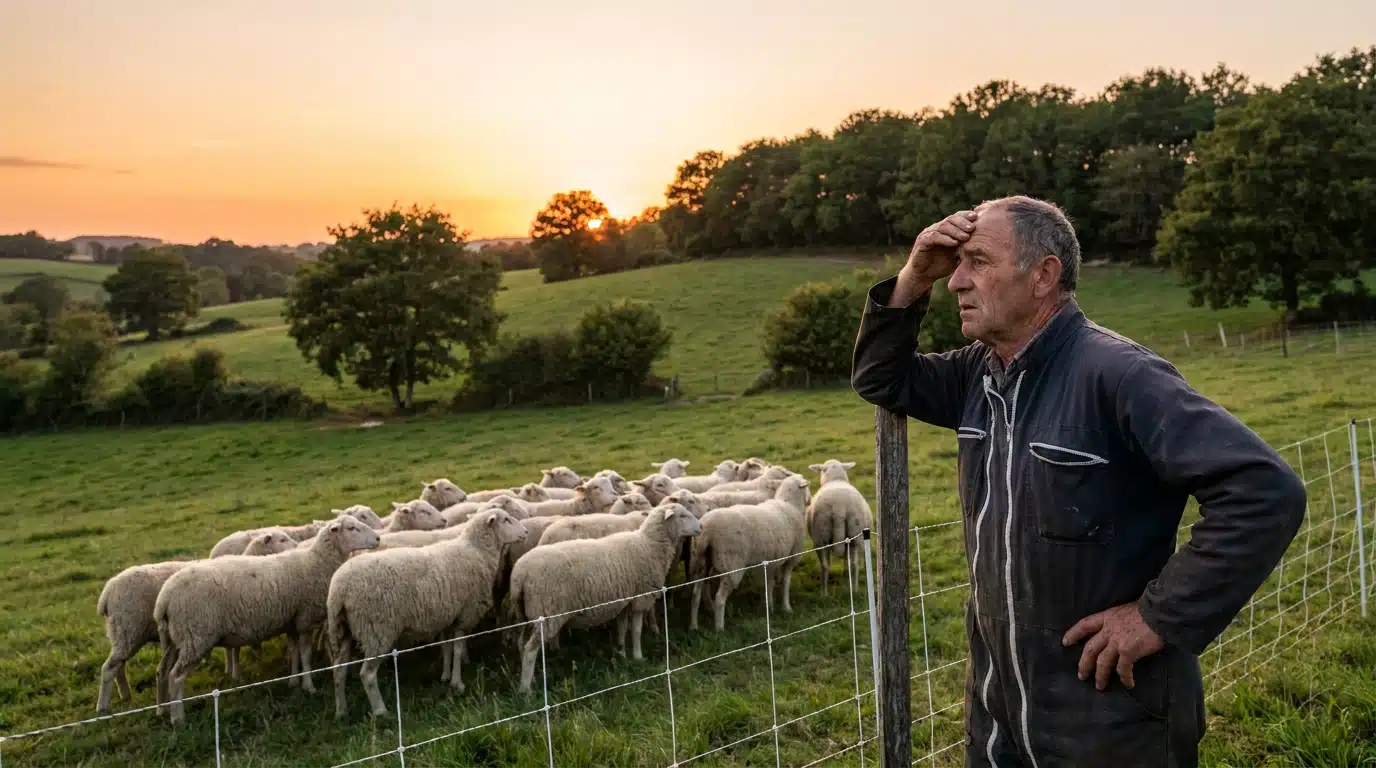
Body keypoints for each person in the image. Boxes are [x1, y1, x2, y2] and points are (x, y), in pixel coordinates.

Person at [849, 195, 1307, 767]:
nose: (955, 282)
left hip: (1111, 719)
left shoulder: (1119, 375)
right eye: (954, 264)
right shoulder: (977, 374)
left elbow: (1264, 490)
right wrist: (913, 273)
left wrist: (1156, 617)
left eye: (979, 262)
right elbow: (880, 378)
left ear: (1043, 275)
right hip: (1000, 715)